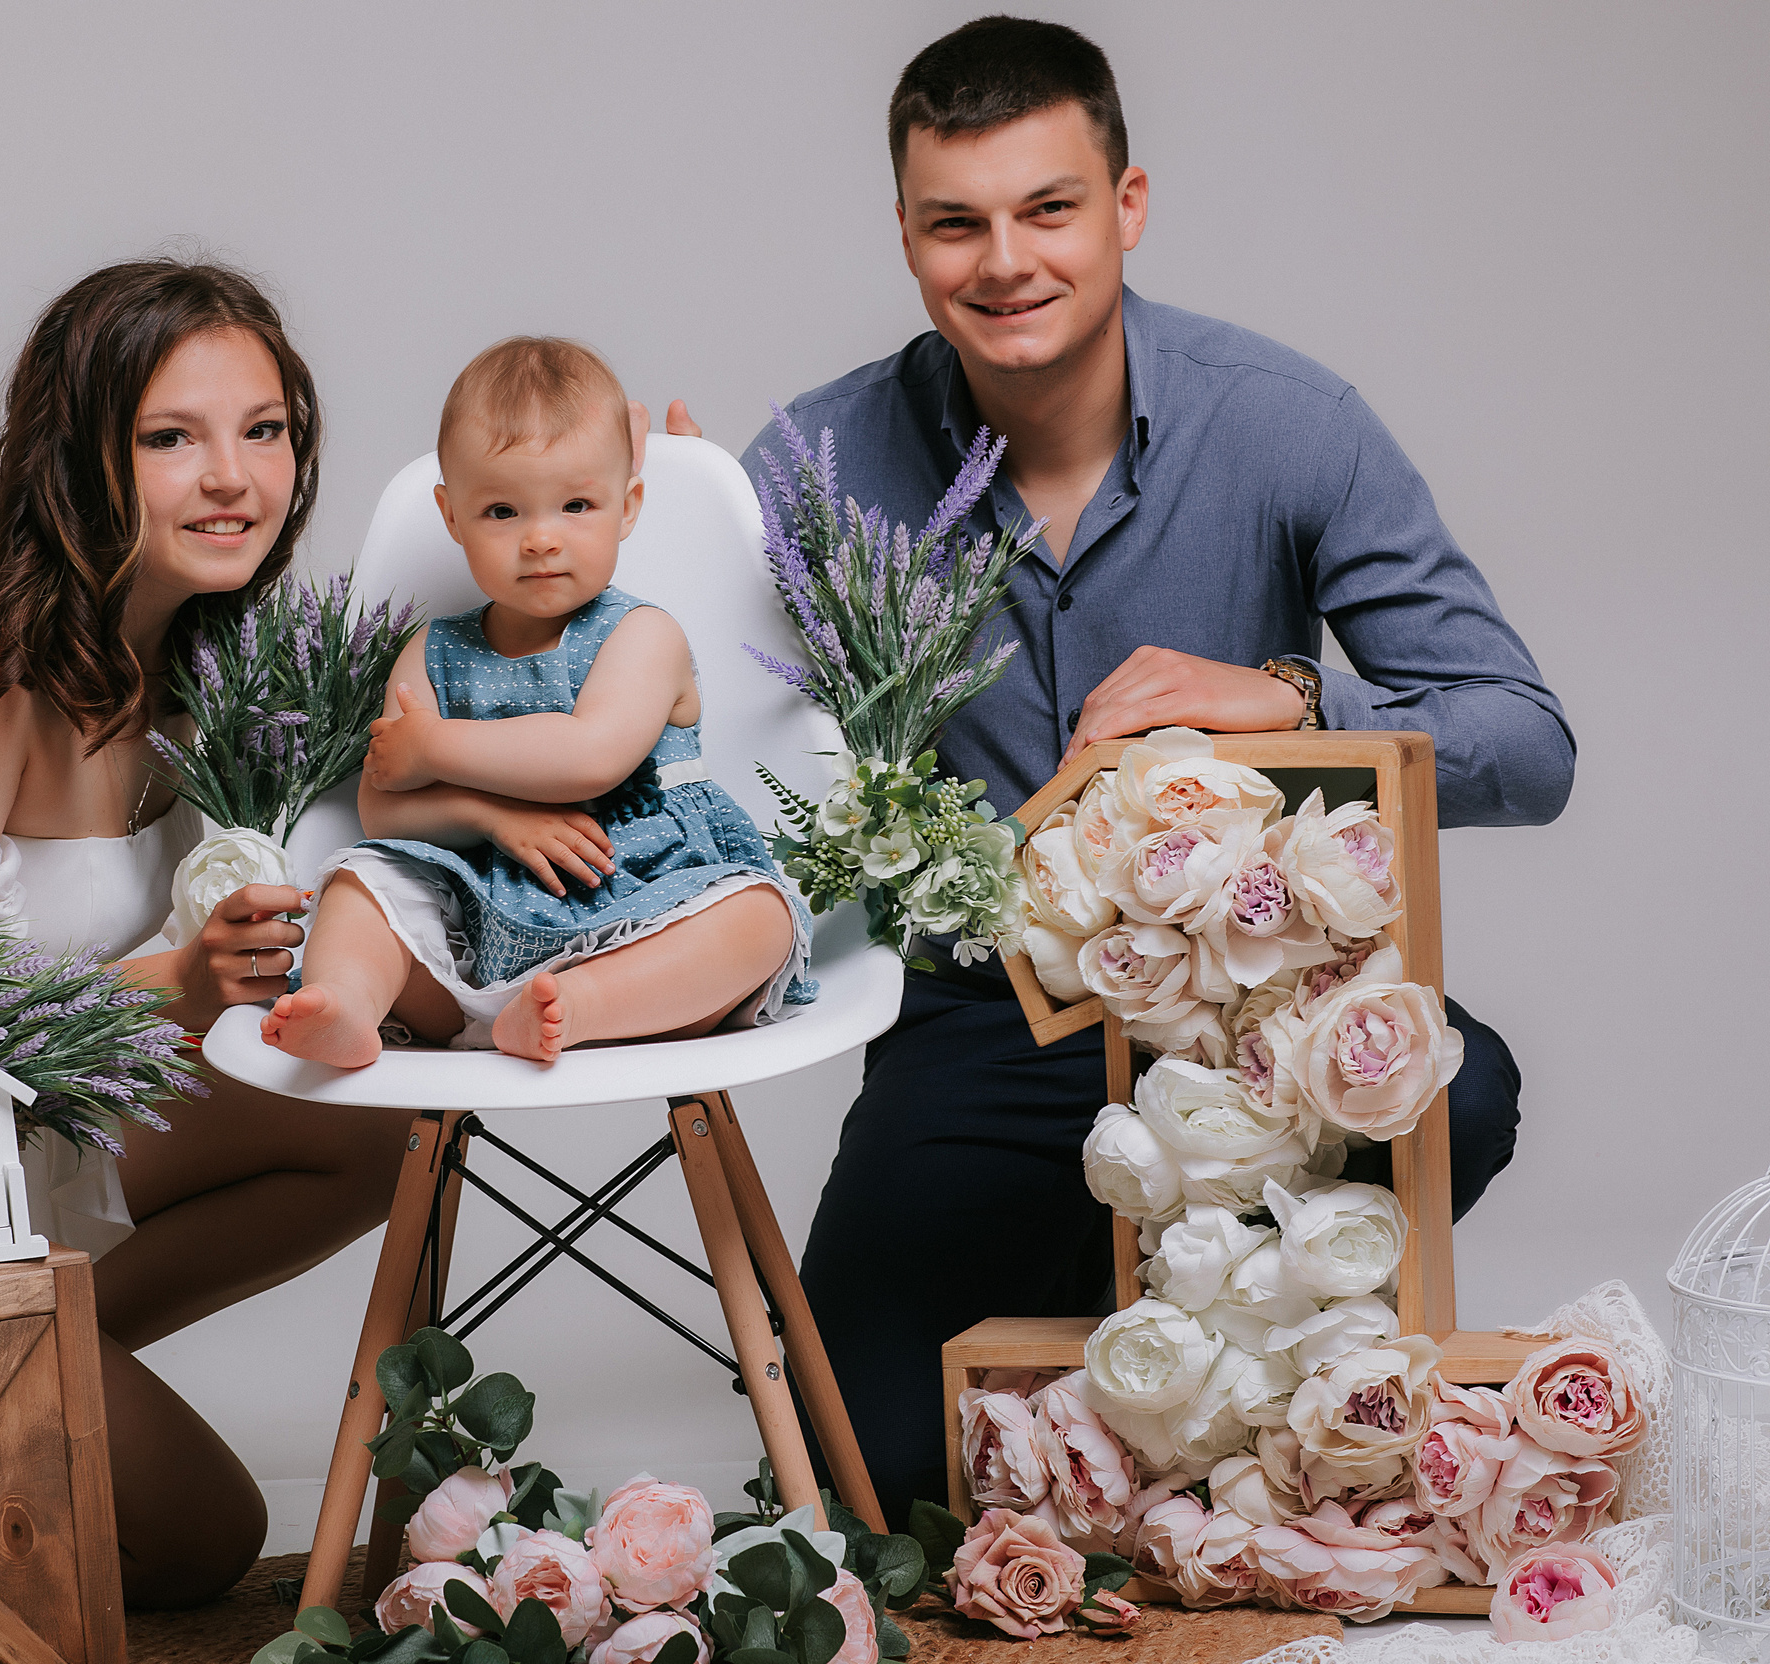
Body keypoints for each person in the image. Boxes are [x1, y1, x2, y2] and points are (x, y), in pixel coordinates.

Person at [673, 16, 1572, 1517]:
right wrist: (649, 548)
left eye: (1049, 209)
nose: (1004, 260)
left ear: (1127, 206)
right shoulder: (815, 460)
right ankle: (1106, 1343)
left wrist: (1290, 695)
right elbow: (690, 741)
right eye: (956, 222)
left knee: (1461, 1092)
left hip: (1260, 1017)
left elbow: (1527, 744)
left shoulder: (1290, 425)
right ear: (905, 235)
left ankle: (1187, 1326)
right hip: (979, 1026)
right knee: (859, 1476)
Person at [0, 260, 405, 1605]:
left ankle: (15, 1373)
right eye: (170, 437)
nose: (233, 476)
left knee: (368, 1132)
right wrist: (177, 980)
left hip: (44, 1160)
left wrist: (635, 560)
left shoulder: (197, 650)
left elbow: (418, 750)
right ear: (81, 456)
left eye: (266, 429)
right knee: (206, 1542)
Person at [265, 337, 813, 1068]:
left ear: (628, 507)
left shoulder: (643, 635)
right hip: (478, 925)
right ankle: (346, 1002)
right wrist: (492, 816)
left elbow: (589, 756)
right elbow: (383, 809)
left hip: (646, 901)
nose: (542, 539)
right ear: (452, 516)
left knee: (760, 918)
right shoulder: (432, 650)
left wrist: (433, 749)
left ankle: (584, 1006)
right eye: (501, 511)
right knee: (361, 880)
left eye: (577, 504)